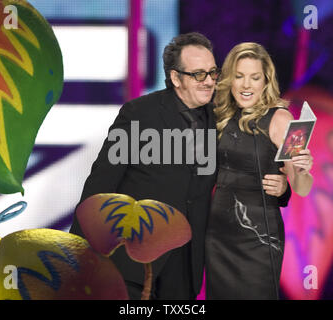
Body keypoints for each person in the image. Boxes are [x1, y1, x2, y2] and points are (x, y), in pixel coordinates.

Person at [69, 33, 290, 300]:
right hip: (134, 263)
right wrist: (79, 254)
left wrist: (283, 189)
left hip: (186, 267)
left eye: (212, 72)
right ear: (176, 78)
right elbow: (101, 183)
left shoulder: (218, 117)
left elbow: (241, 169)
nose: (209, 81)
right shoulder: (139, 113)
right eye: (198, 74)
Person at [205, 42, 314, 300]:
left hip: (258, 239)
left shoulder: (282, 120)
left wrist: (299, 173)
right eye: (239, 77)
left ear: (266, 81)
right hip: (218, 236)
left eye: (254, 78)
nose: (246, 85)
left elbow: (302, 187)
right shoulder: (219, 116)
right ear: (229, 80)